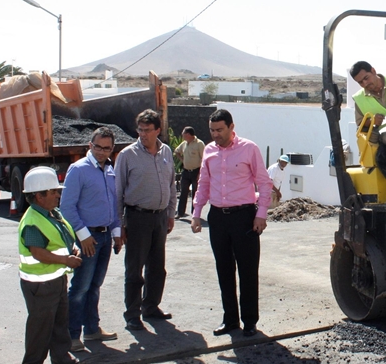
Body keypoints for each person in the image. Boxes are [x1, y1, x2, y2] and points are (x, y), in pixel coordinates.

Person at [191, 109, 273, 338]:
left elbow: (264, 183)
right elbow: (203, 183)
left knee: (248, 271)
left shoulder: (249, 148)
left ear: (231, 127)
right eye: (212, 130)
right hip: (217, 217)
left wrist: (261, 214)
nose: (215, 134)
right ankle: (230, 320)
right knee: (224, 270)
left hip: (244, 217)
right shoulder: (209, 151)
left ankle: (249, 321)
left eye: (220, 130)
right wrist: (197, 212)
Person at [60, 127, 122, 352]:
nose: (101, 151)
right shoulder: (78, 170)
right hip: (89, 237)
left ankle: (92, 330)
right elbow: (66, 207)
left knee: (95, 285)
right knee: (80, 288)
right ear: (90, 145)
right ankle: (72, 334)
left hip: (105, 236)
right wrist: (83, 236)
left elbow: (113, 205)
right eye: (97, 147)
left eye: (106, 148)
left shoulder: (109, 171)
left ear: (111, 149)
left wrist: (116, 233)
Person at [17, 166, 83, 364]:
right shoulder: (32, 221)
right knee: (41, 327)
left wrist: (72, 249)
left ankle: (61, 358)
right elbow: (38, 253)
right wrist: (66, 260)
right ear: (39, 195)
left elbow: (61, 239)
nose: (58, 194)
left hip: (55, 279)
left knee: (59, 322)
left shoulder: (52, 214)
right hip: (40, 284)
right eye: (53, 191)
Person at [115, 109, 177, 331]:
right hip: (137, 217)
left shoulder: (166, 152)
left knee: (157, 268)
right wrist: (119, 225)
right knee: (134, 269)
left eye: (147, 130)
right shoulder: (127, 155)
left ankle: (151, 306)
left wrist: (170, 214)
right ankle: (132, 314)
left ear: (158, 130)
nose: (143, 134)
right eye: (140, 130)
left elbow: (172, 185)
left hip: (159, 218)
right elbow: (118, 192)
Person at [174, 126, 205, 218]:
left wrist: (200, 173)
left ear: (188, 134)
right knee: (183, 191)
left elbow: (204, 158)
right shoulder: (184, 144)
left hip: (196, 171)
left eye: (183, 134)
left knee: (195, 193)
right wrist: (182, 160)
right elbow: (176, 152)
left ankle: (194, 213)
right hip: (186, 171)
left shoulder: (199, 144)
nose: (182, 135)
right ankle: (180, 213)